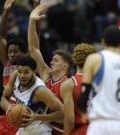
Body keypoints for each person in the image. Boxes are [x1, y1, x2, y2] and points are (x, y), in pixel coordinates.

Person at [28, 4, 72, 134]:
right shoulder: (46, 75)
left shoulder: (67, 85)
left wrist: (38, 117)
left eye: (56, 60)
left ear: (65, 66)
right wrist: (31, 20)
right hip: (44, 128)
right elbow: (34, 49)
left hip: (60, 131)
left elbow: (64, 117)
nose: (51, 62)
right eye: (52, 59)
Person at [0, 55, 64, 135]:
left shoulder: (40, 90)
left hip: (40, 132)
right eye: (20, 71)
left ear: (34, 72)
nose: (22, 75)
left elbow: (63, 114)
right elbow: (3, 99)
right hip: (24, 131)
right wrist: (10, 109)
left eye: (26, 72)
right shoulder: (15, 76)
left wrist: (36, 117)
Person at [0, 0, 28, 135]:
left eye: (15, 51)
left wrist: (35, 14)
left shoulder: (30, 66)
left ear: (24, 53)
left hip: (24, 117)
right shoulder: (7, 64)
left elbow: (36, 40)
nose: (11, 54)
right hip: (8, 115)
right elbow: (0, 37)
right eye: (10, 51)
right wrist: (6, 11)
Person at [60, 43, 96, 135]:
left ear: (74, 60)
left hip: (81, 130)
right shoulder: (101, 82)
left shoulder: (69, 84)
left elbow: (70, 119)